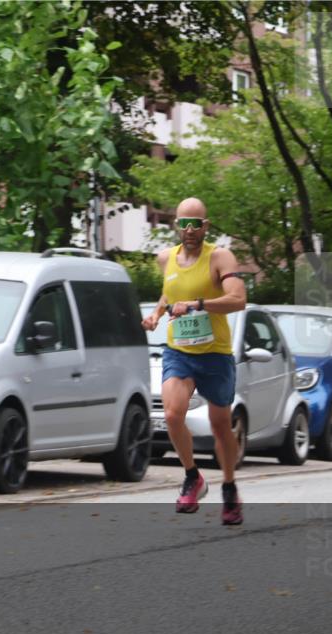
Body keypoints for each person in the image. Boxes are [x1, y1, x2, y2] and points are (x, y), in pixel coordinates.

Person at [142, 197, 247, 525]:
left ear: (205, 226)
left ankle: (228, 485)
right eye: (184, 224)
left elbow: (238, 299)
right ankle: (192, 476)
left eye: (196, 224)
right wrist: (156, 314)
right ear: (176, 225)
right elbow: (170, 293)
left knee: (220, 425)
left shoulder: (220, 257)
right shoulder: (165, 258)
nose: (190, 230)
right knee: (172, 415)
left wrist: (198, 304)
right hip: (180, 351)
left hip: (215, 353)